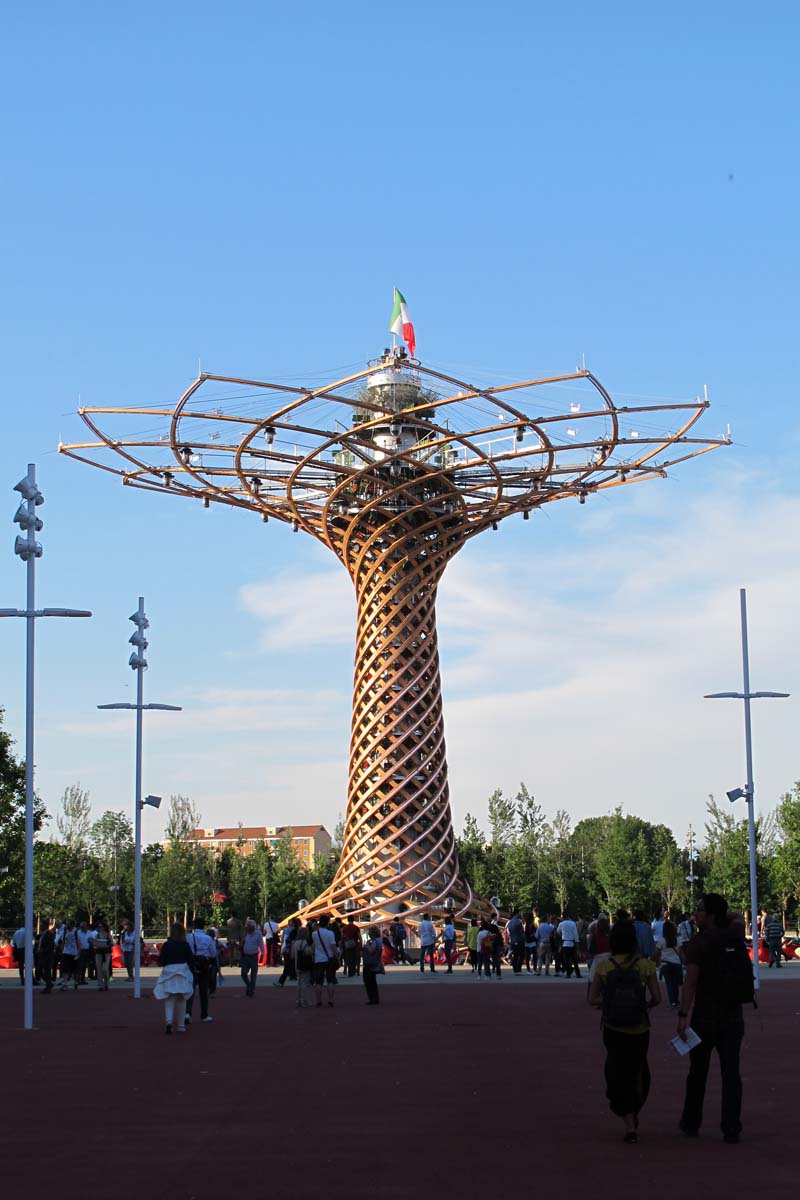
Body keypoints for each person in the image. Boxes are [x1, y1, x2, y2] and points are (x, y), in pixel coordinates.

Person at [677, 893, 752, 1144]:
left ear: (709, 914)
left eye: (699, 909)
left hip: (704, 1016)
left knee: (697, 1072)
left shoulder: (699, 943)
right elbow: (737, 917)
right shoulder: (734, 935)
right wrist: (722, 915)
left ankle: (691, 1121)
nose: (695, 913)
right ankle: (731, 1127)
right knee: (731, 1074)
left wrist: (683, 1014)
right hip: (732, 1015)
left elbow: (690, 982)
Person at [589, 918, 661, 1144]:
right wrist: (643, 1006)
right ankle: (634, 1107)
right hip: (639, 1027)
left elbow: (592, 998)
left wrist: (609, 1004)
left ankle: (628, 1119)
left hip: (613, 1027)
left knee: (617, 1069)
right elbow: (657, 998)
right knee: (638, 1070)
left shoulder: (604, 966)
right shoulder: (645, 965)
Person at [154, 923, 195, 1034]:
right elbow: (191, 960)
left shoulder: (167, 945)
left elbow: (161, 960)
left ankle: (169, 1022)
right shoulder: (185, 945)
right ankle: (181, 1026)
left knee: (170, 997)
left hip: (169, 972)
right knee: (182, 999)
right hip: (182, 972)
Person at [311, 915, 338, 1007]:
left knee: (318, 982)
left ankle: (318, 1000)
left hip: (318, 959)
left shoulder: (314, 934)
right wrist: (337, 956)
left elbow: (314, 946)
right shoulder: (330, 933)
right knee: (330, 980)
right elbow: (333, 946)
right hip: (329, 958)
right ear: (327, 923)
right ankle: (330, 999)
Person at [656, 919, 683, 1008]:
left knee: (669, 984)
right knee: (675, 984)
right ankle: (676, 1000)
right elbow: (681, 953)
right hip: (676, 964)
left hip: (665, 964)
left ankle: (672, 1002)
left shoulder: (661, 941)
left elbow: (657, 953)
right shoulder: (678, 940)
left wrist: (657, 962)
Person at [240, 918, 264, 998]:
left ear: (253, 927)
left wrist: (262, 954)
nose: (247, 928)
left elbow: (261, 944)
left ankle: (251, 990)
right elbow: (242, 942)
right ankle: (249, 985)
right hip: (245, 956)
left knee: (253, 975)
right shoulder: (245, 932)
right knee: (243, 973)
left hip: (254, 956)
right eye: (247, 927)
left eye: (248, 927)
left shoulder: (258, 933)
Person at [275, 918, 301, 987]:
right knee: (294, 966)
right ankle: (291, 977)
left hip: (291, 950)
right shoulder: (299, 930)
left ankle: (281, 981)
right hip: (298, 950)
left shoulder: (293, 931)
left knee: (287, 967)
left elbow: (288, 940)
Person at [292, 926, 314, 1008]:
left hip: (297, 964)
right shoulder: (305, 943)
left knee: (299, 983)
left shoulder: (295, 943)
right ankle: (305, 1000)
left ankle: (298, 1000)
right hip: (305, 964)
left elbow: (293, 955)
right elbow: (309, 952)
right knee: (305, 983)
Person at [362, 925, 384, 1005]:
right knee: (373, 981)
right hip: (375, 962)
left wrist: (367, 944)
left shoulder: (374, 941)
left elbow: (371, 951)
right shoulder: (380, 940)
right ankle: (375, 997)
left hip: (370, 963)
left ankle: (372, 998)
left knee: (368, 981)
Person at [557, 913, 581, 978]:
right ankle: (578, 974)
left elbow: (558, 932)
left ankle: (568, 973)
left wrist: (562, 934)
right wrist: (577, 942)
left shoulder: (561, 924)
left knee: (566, 959)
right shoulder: (573, 923)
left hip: (565, 943)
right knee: (574, 959)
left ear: (562, 917)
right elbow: (575, 934)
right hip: (572, 943)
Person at [58, 920, 80, 989]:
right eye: (66, 924)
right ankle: (65, 983)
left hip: (74, 952)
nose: (66, 925)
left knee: (74, 969)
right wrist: (62, 950)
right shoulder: (65, 931)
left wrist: (79, 952)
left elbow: (78, 942)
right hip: (66, 951)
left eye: (68, 924)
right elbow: (63, 941)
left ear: (72, 925)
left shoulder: (76, 931)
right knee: (64, 968)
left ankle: (75, 982)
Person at [38, 919, 56, 993]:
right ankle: (49, 983)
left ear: (45, 926)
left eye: (42, 925)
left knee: (46, 971)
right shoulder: (43, 934)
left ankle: (48, 985)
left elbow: (51, 945)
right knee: (40, 971)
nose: (41, 926)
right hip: (42, 955)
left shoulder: (49, 934)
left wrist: (43, 950)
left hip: (47, 956)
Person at [93, 920, 112, 991]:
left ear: (104, 927)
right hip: (98, 953)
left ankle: (106, 983)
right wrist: (94, 943)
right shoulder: (97, 935)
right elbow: (94, 944)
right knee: (99, 969)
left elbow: (112, 944)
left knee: (105, 969)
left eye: (100, 927)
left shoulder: (108, 935)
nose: (99, 928)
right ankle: (100, 985)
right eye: (98, 927)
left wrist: (107, 944)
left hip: (106, 953)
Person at [507, 910, 525, 975]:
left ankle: (515, 970)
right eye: (519, 913)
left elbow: (509, 931)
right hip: (519, 940)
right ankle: (519, 969)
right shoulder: (519, 922)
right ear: (517, 913)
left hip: (513, 940)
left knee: (515, 955)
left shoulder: (510, 922)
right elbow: (522, 931)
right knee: (521, 955)